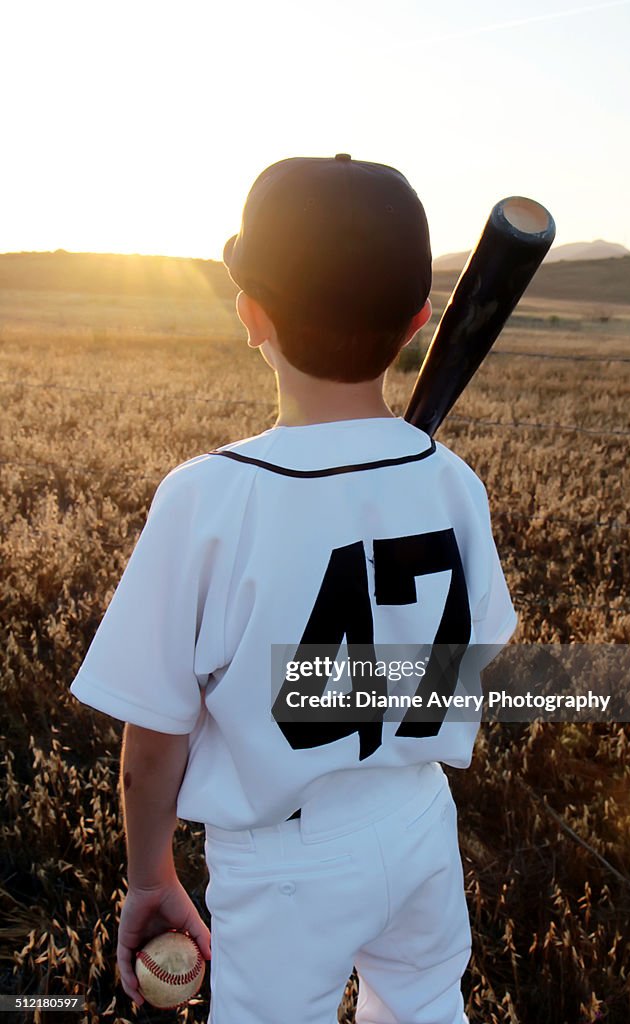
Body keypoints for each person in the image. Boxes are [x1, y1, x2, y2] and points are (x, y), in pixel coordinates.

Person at [70, 153, 517, 1024]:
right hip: (420, 819)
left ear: (250, 313)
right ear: (421, 320)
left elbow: (156, 731)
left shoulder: (208, 496)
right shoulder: (454, 483)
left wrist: (150, 874)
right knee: (425, 1008)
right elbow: (471, 657)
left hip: (284, 860)